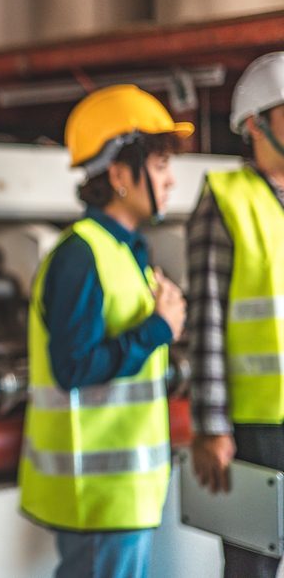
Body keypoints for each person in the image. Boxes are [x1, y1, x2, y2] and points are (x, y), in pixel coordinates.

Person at [18, 85, 190, 578]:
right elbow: (75, 368)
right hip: (97, 495)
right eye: (159, 166)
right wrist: (158, 328)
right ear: (119, 174)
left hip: (121, 492)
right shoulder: (81, 255)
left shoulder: (123, 251)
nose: (172, 181)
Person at [188, 51, 284, 578]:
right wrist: (211, 425)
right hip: (254, 428)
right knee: (252, 565)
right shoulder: (225, 200)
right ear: (256, 124)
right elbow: (205, 322)